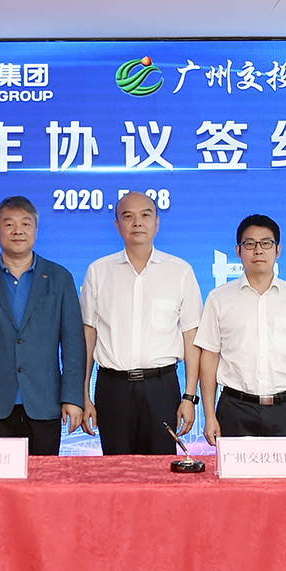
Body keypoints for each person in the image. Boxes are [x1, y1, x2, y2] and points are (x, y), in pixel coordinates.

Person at [0, 196, 86, 455]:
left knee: (44, 479)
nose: (18, 231)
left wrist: (72, 398)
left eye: (26, 224)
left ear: (36, 230)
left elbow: (73, 345)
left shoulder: (59, 278)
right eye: (9, 224)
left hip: (44, 403)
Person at [79, 191, 203, 455]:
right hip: (112, 388)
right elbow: (88, 335)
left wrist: (190, 397)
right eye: (128, 217)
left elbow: (191, 337)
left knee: (161, 469)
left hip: (161, 387)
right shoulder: (98, 271)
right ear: (117, 226)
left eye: (146, 215)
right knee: (117, 469)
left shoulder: (180, 271)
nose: (137, 223)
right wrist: (83, 394)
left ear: (157, 223)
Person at [195, 214, 286, 447]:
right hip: (234, 409)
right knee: (234, 472)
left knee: (285, 472)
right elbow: (210, 357)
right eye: (250, 244)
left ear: (278, 250)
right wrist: (209, 415)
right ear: (238, 250)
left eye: (266, 243)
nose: (258, 250)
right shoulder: (219, 298)